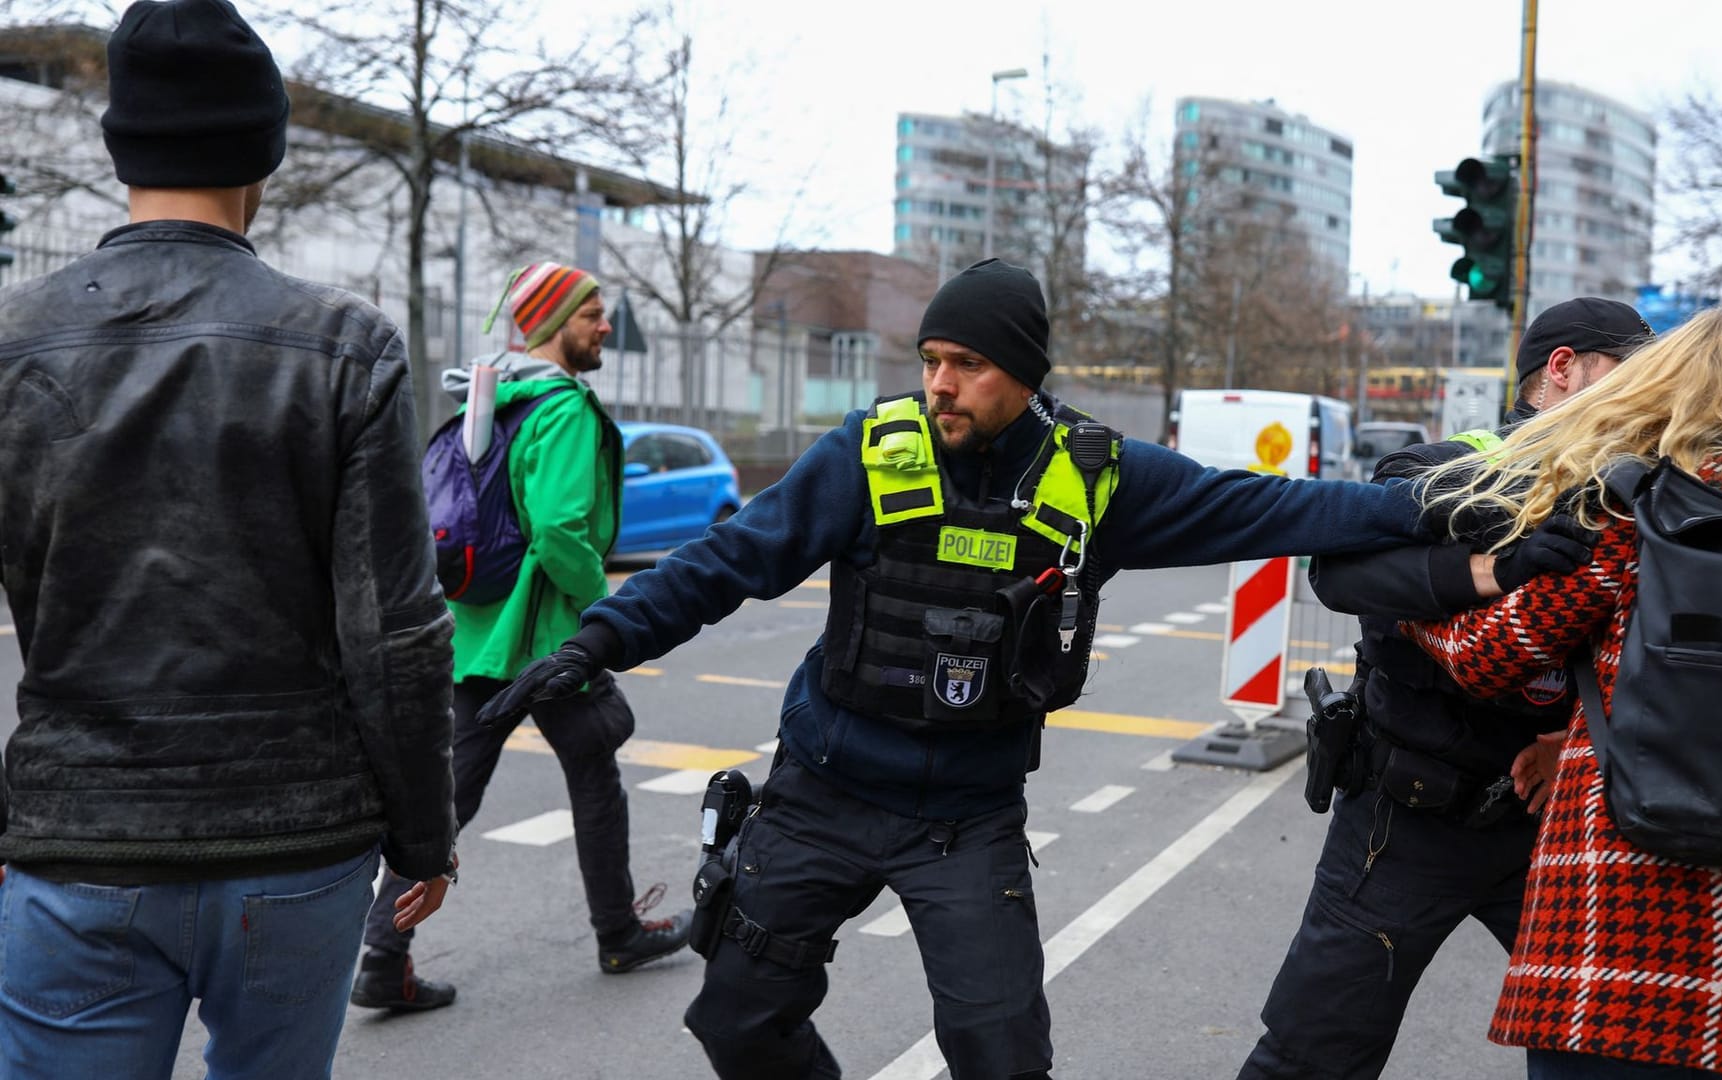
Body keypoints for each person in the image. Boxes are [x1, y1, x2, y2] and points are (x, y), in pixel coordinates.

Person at [474, 257, 1432, 1080]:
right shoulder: (868, 453)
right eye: (931, 361)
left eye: (967, 365)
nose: (940, 383)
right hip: (823, 792)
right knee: (736, 1018)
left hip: (966, 818)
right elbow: (727, 562)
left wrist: (1435, 507)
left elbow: (1272, 508)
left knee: (1002, 1055)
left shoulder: (1098, 479)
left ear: (1020, 373)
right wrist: (596, 641)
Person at [0, 1, 457, 1075]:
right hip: (297, 845)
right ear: (266, 147)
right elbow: (395, 631)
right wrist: (423, 836)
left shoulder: (13, 342)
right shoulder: (346, 346)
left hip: (79, 841)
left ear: (120, 148)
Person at [1402, 307, 1722, 1080]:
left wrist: (1408, 607)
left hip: (1625, 941)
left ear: (1660, 393)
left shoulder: (1634, 517)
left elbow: (1491, 654)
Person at [1236, 297, 1651, 1080]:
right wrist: (1493, 568)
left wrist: (1580, 742)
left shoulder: (1631, 491)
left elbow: (1656, 658)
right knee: (1312, 1056)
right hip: (1404, 825)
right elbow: (1342, 570)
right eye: (1630, 377)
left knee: (1603, 1053)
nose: (1648, 403)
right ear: (1561, 370)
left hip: (1553, 826)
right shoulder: (1446, 468)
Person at [351, 263, 692, 1010]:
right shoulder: (562, 409)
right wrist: (603, 608)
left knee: (449, 800)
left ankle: (383, 951)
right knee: (597, 780)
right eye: (592, 314)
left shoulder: (491, 399)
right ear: (550, 323)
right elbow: (562, 529)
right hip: (546, 640)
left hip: (477, 637)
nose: (604, 327)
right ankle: (618, 932)